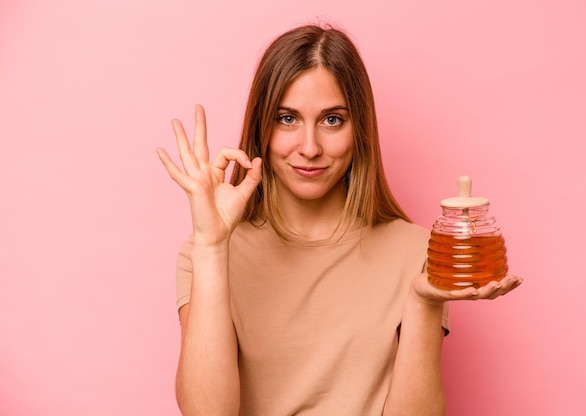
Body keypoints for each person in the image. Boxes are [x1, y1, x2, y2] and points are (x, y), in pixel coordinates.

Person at [157, 23, 522, 416]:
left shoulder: (415, 251)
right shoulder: (206, 253)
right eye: (287, 118)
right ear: (262, 127)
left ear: (358, 128)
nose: (310, 148)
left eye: (332, 120)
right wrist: (212, 248)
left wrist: (422, 302)